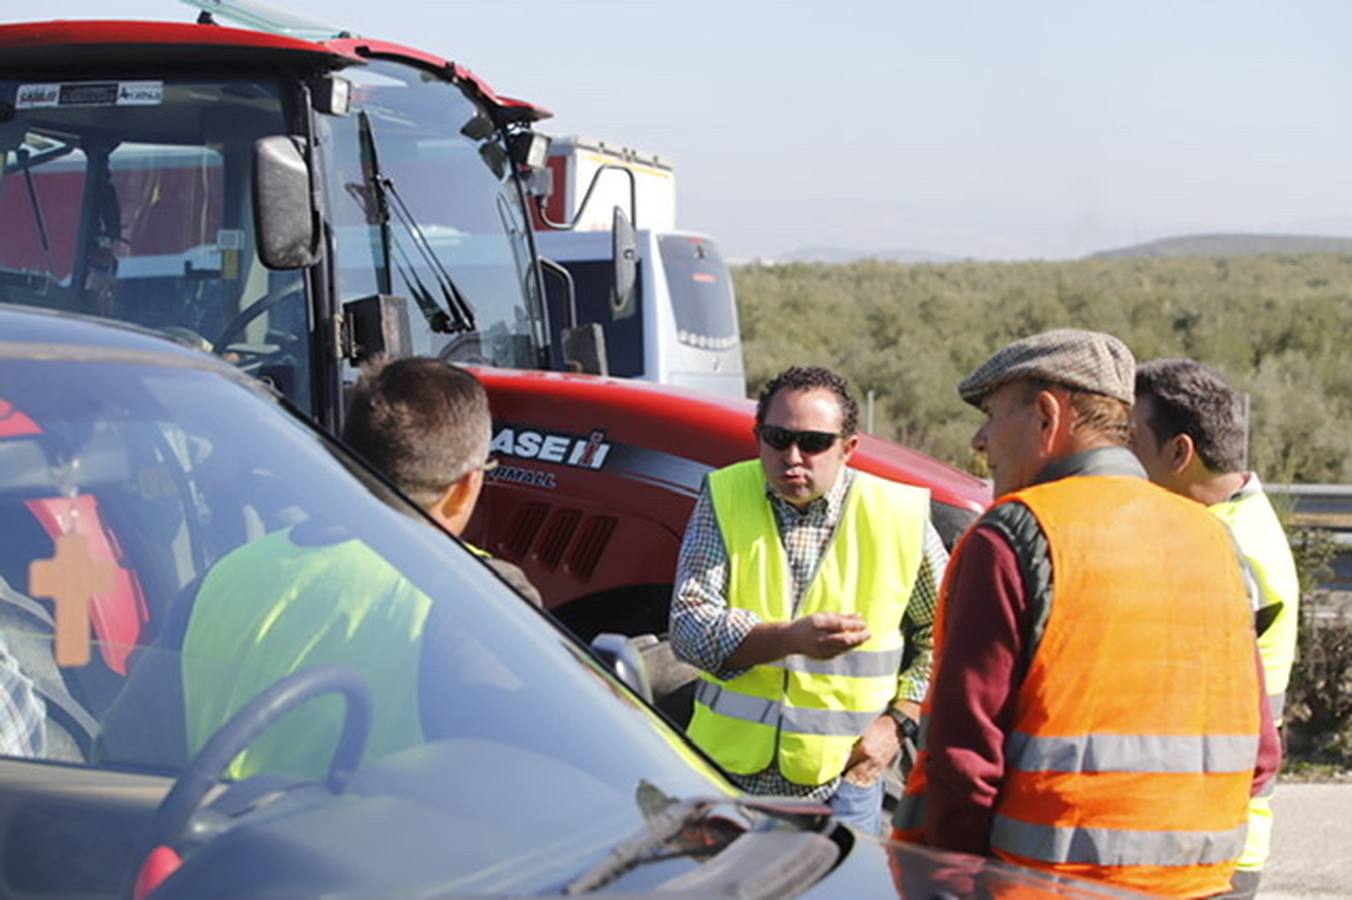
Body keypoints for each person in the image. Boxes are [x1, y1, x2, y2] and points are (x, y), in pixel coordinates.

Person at [890, 329, 1281, 897]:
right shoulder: (1214, 540)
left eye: (993, 416)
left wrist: (950, 883)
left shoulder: (1014, 535)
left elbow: (964, 760)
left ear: (1047, 417)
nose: (980, 440)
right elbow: (1261, 756)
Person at [96, 357, 537, 777]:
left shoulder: (221, 577)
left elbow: (122, 754)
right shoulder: (480, 598)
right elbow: (542, 782)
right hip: (390, 853)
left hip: (217, 846)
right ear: (465, 486)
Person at [670, 365, 947, 835]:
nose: (792, 456)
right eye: (777, 438)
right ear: (758, 437)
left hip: (844, 787)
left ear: (849, 448)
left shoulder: (898, 516)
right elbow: (688, 630)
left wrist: (897, 726)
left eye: (814, 442)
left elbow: (950, 638)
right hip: (724, 777)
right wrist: (790, 639)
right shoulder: (724, 494)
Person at [1133, 357, 1300, 899]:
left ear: (1180, 452)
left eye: (1131, 441)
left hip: (1207, 847)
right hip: (1210, 835)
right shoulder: (1238, 521)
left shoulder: (1223, 549)